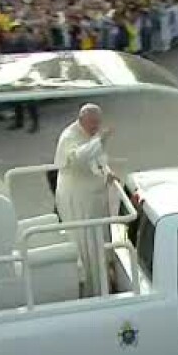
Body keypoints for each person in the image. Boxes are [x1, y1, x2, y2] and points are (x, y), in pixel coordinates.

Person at [53, 104, 115, 296]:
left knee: (99, 243)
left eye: (98, 123)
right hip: (78, 201)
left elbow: (98, 160)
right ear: (82, 120)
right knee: (86, 246)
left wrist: (108, 173)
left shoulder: (89, 133)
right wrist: (99, 141)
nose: (96, 127)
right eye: (92, 123)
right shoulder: (69, 136)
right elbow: (78, 158)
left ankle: (103, 284)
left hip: (92, 199)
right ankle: (92, 290)